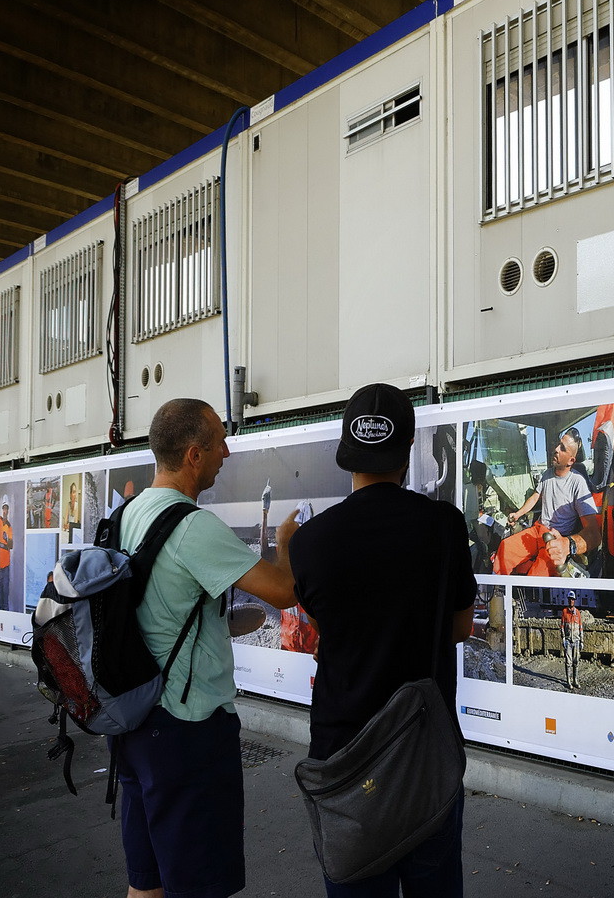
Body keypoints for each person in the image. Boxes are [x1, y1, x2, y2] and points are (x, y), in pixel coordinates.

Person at [289, 383, 476, 897]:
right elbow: (461, 628)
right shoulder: (443, 525)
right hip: (425, 757)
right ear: (407, 450)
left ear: (347, 453)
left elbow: (321, 626)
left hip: (345, 765)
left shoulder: (310, 542)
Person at [109, 397, 300, 898]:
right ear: (194, 455)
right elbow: (282, 591)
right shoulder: (193, 527)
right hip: (187, 732)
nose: (228, 452)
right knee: (198, 887)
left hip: (134, 721)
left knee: (145, 884)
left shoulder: (126, 517)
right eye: (219, 441)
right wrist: (287, 541)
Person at [492, 428, 602, 577]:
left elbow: (594, 533)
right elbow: (535, 497)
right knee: (505, 548)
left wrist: (568, 545)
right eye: (558, 445)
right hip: (538, 530)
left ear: (571, 460)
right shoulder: (547, 474)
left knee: (536, 576)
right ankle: (497, 589)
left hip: (555, 538)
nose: (556, 449)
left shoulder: (578, 482)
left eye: (562, 448)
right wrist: (518, 514)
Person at [560, 591, 584, 689]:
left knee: (576, 661)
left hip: (576, 641)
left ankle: (575, 680)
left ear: (574, 601)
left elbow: (581, 627)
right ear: (568, 600)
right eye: (570, 599)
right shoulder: (564, 611)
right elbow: (562, 626)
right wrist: (563, 639)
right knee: (568, 662)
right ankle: (568, 681)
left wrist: (582, 641)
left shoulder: (577, 612)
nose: (571, 601)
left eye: (572, 600)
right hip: (568, 641)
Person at [0, 500, 14, 611]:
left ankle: (5, 613)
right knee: (0, 591)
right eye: (3, 509)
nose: (5, 511)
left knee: (5, 592)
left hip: (6, 565)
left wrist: (8, 539)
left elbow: (11, 545)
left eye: (7, 509)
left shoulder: (9, 527)